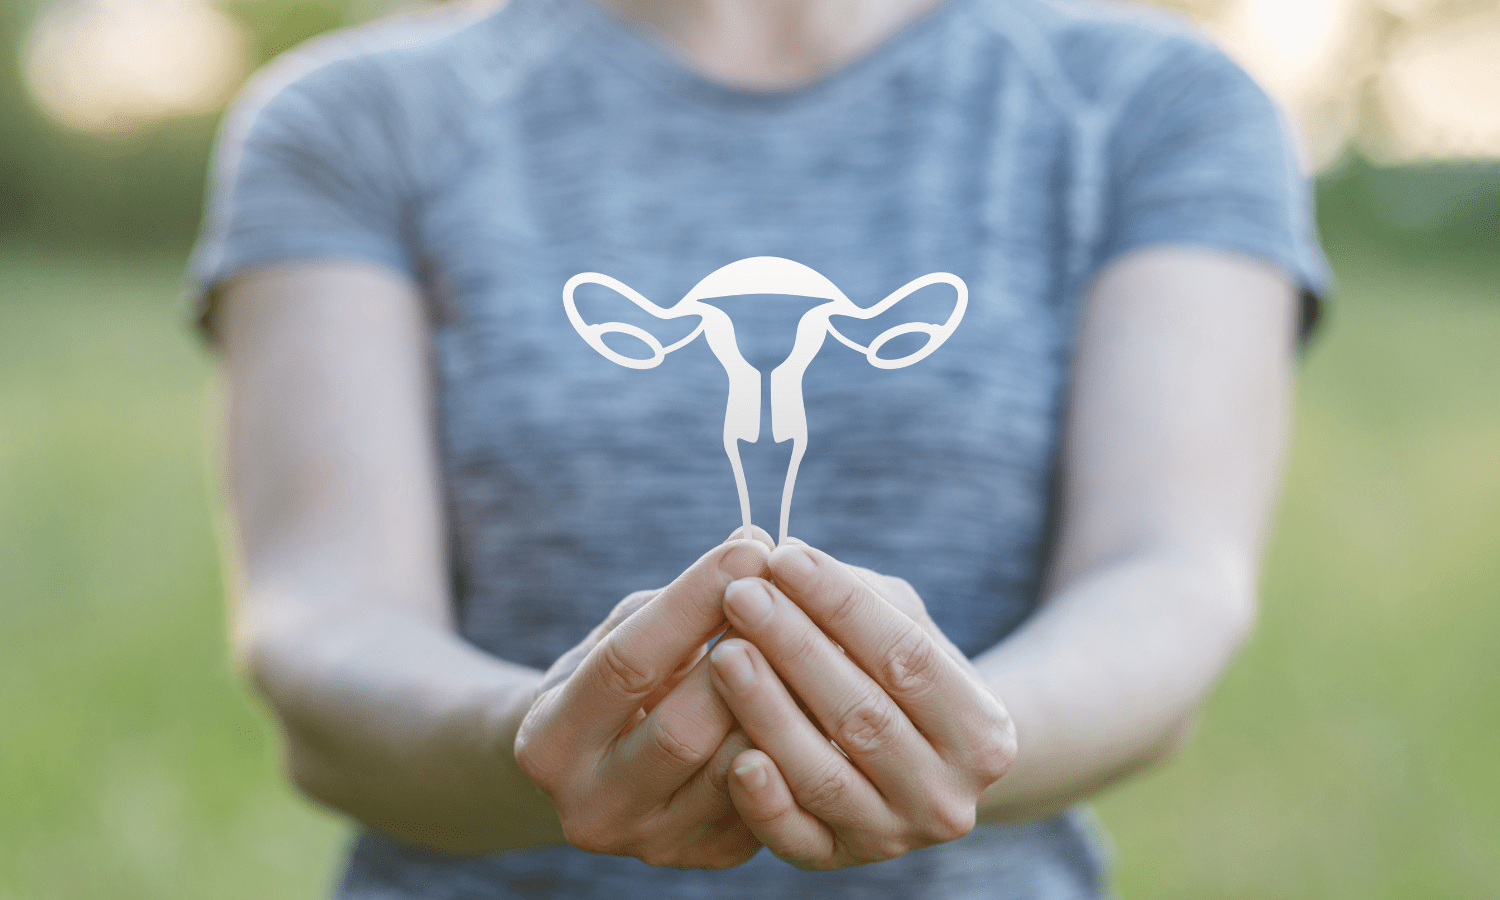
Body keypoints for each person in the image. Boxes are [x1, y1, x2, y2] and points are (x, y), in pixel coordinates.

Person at [190, 0, 1329, 894]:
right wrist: (535, 743)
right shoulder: (357, 119)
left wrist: (950, 737)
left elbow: (1167, 574)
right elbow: (325, 619)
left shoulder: (1155, 106)